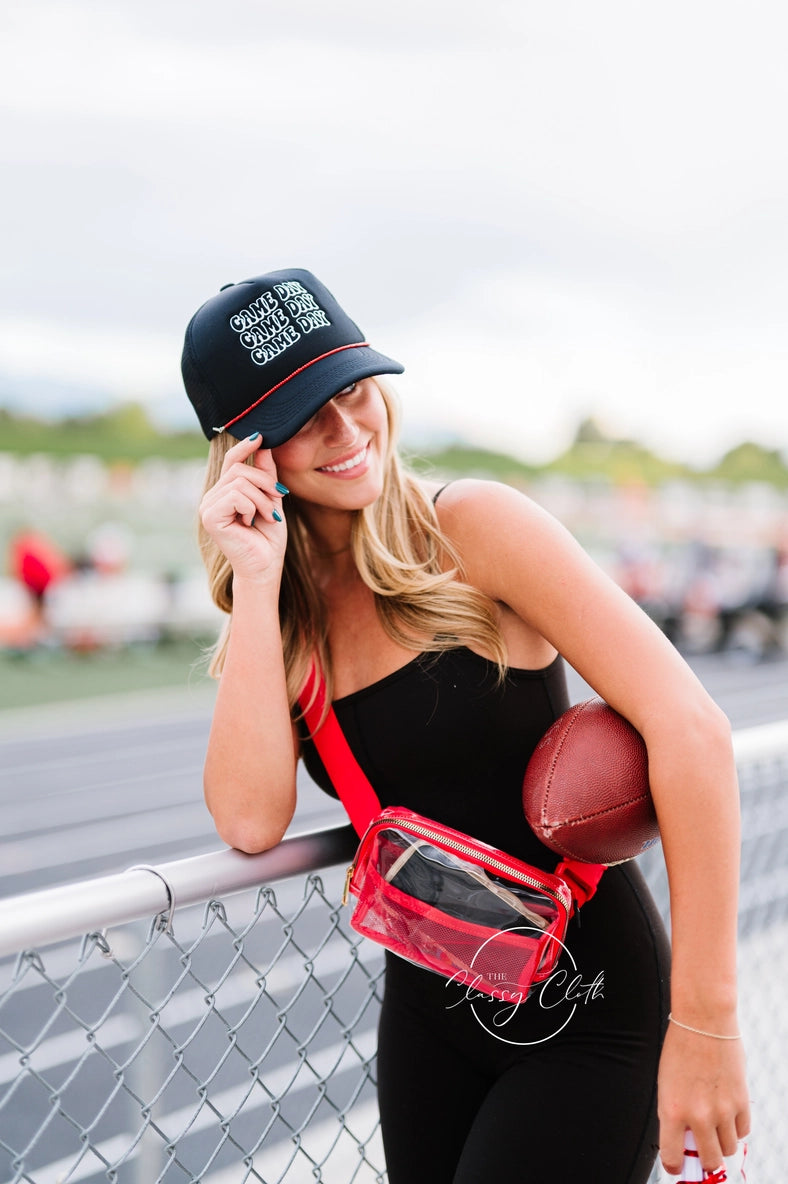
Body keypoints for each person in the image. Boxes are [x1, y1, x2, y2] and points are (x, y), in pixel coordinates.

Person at [182, 268, 750, 1182]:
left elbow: (693, 731)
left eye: (354, 388)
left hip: (592, 1010)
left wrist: (707, 1022)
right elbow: (249, 821)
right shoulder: (283, 621)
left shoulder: (473, 527)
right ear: (245, 450)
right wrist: (254, 580)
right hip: (430, 1017)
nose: (346, 430)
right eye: (301, 416)